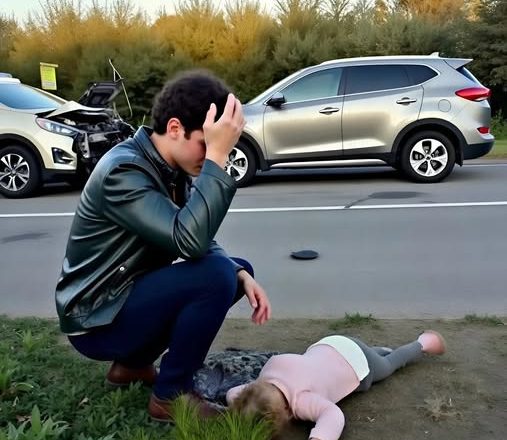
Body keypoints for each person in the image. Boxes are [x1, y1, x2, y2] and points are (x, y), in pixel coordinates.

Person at [55, 70, 271, 422]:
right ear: (174, 128)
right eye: (206, 143)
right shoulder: (124, 171)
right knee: (216, 275)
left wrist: (239, 272)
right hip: (96, 321)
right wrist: (216, 159)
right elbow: (189, 240)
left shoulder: (167, 167)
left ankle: (131, 366)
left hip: (120, 302)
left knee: (233, 270)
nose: (212, 154)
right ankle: (171, 396)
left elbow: (196, 236)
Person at [227, 330, 446, 440]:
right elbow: (235, 393)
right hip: (330, 344)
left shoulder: (302, 399)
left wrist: (320, 437)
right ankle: (378, 351)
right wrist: (240, 406)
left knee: (388, 366)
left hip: (358, 365)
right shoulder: (270, 369)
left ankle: (424, 342)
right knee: (373, 356)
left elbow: (333, 415)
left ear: (286, 411)